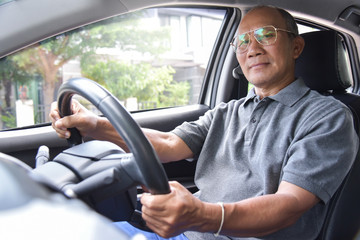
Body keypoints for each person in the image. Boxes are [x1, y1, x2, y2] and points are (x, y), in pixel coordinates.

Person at [50, 5, 358, 240]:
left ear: (296, 47)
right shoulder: (229, 111)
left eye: (266, 35)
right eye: (242, 41)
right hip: (187, 231)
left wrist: (201, 215)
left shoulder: (327, 117)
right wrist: (95, 125)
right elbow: (170, 144)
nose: (252, 48)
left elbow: (289, 204)